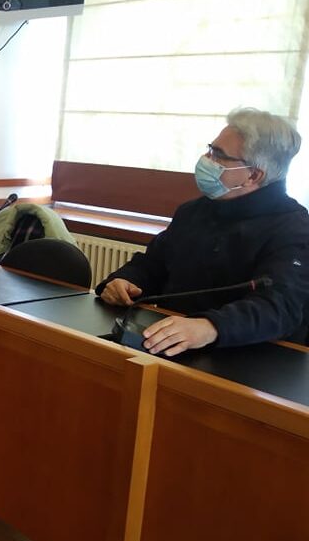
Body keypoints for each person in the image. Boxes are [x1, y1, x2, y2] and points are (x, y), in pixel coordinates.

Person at [97, 107, 309, 356]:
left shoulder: (293, 228)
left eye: (218, 155)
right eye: (210, 149)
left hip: (248, 361)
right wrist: (123, 281)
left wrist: (210, 326)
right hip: (168, 345)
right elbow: (153, 265)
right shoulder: (194, 211)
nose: (206, 159)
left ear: (253, 175)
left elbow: (279, 307)